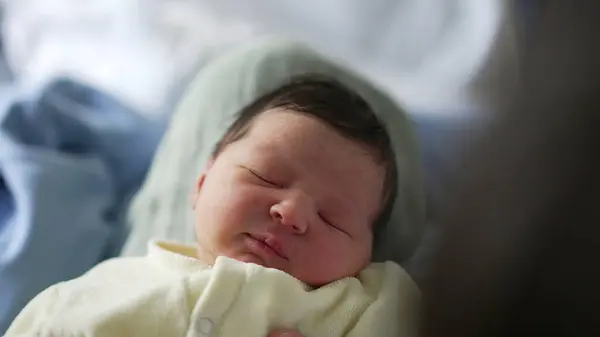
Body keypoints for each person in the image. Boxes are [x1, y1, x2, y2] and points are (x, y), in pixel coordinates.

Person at [5, 75, 420, 337]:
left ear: (365, 255)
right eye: (267, 178)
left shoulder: (368, 306)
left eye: (333, 219)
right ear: (202, 183)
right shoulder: (92, 295)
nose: (292, 213)